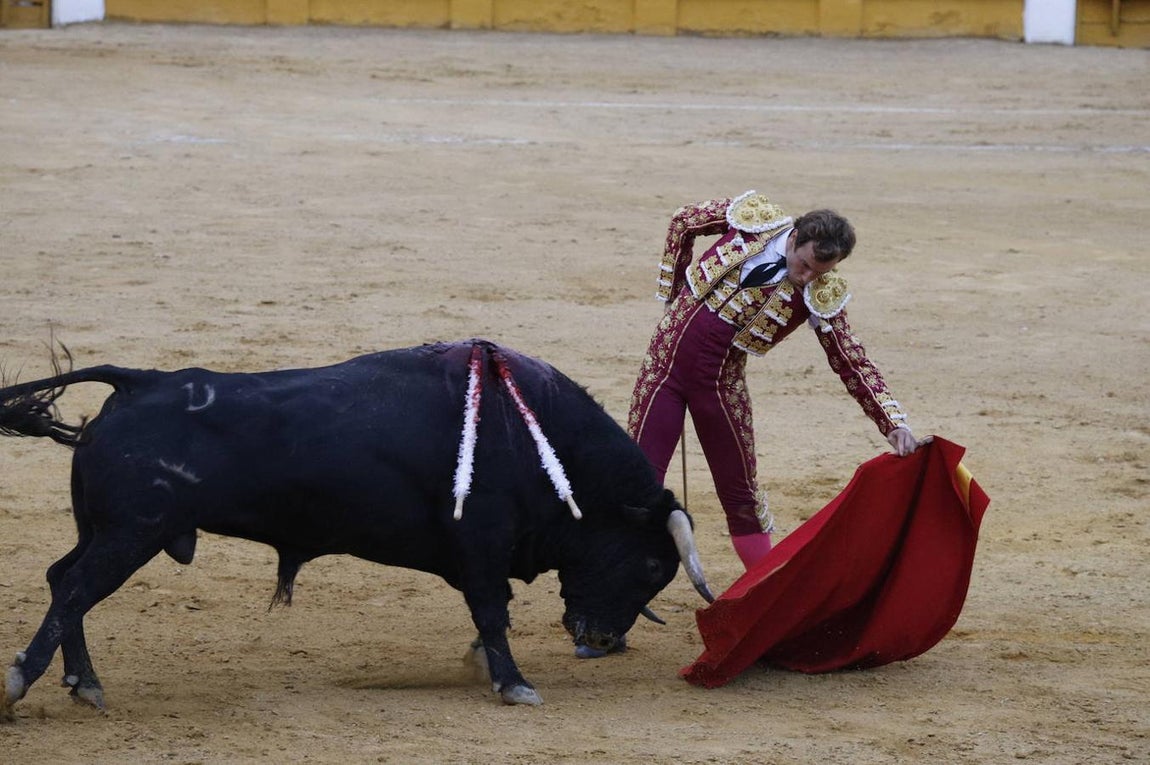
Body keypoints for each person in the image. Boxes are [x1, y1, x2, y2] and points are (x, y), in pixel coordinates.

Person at [627, 190, 921, 570]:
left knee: (741, 497)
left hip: (719, 387)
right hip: (663, 367)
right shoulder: (753, 219)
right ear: (795, 237)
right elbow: (684, 221)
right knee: (637, 481)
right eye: (805, 265)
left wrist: (892, 422)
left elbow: (850, 360)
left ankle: (765, 587)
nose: (807, 277)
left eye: (820, 272)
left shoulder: (821, 294)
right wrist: (674, 293)